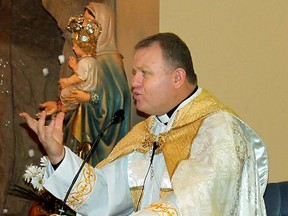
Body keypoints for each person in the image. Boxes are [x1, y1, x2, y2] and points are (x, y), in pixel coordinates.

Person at [20, 32, 269, 215]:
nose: (134, 83)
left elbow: (196, 204)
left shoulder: (218, 129)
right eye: (134, 73)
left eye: (145, 73)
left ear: (177, 77)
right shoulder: (149, 132)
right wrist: (59, 156)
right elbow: (105, 195)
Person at [38, 3, 131, 166]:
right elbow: (80, 91)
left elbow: (118, 98)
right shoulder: (86, 60)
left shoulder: (110, 61)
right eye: (84, 23)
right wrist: (60, 107)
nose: (85, 28)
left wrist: (90, 97)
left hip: (101, 142)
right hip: (81, 132)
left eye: (90, 24)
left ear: (102, 26)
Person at [58, 16, 101, 113]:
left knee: (64, 92)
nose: (73, 48)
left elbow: (79, 77)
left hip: (84, 89)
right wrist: (75, 67)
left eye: (76, 46)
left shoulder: (85, 61)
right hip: (89, 88)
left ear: (84, 47)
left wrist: (68, 81)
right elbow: (84, 75)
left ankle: (69, 107)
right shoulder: (92, 61)